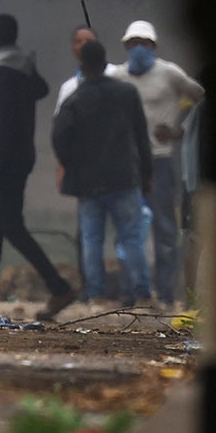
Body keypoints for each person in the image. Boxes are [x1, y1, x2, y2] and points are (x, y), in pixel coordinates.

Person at [0, 13, 76, 321]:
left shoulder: (3, 72)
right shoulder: (20, 68)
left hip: (5, 162)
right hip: (20, 159)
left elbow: (2, 124)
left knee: (11, 228)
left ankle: (59, 287)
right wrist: (28, 65)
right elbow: (41, 89)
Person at [52, 40, 155, 306]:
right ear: (104, 61)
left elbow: (59, 138)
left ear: (82, 66)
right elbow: (141, 136)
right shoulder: (127, 93)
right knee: (132, 237)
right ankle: (140, 293)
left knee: (92, 239)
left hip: (88, 183)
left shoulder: (75, 99)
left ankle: (96, 294)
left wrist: (71, 164)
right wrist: (146, 174)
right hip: (124, 178)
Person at [114, 20, 205, 307]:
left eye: (145, 43)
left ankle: (165, 294)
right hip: (128, 163)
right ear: (126, 46)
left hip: (162, 161)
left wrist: (180, 131)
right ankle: (132, 292)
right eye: (133, 43)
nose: (139, 48)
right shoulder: (117, 77)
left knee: (165, 230)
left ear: (153, 46)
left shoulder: (170, 73)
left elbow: (201, 99)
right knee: (129, 230)